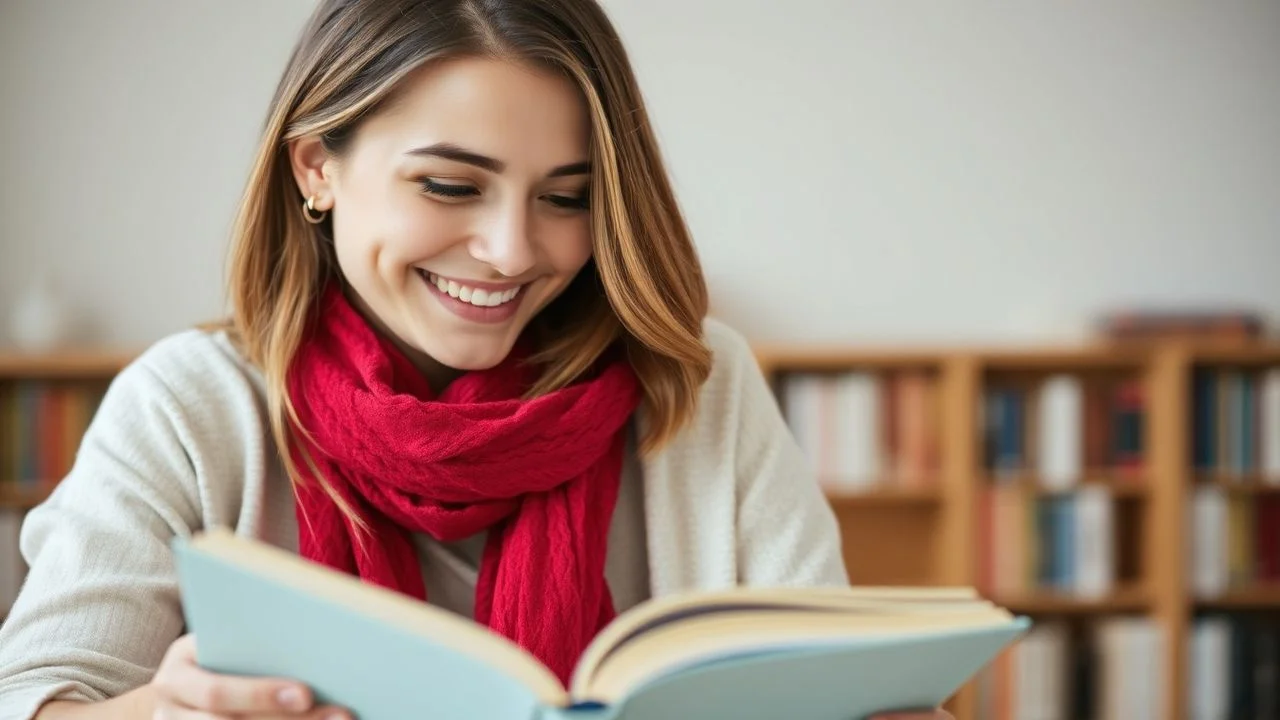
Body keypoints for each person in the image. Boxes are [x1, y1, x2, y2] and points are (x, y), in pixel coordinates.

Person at [0, 1, 952, 719]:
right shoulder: (189, 406)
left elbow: (826, 681)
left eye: (567, 198)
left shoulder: (696, 382)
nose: (512, 251)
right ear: (315, 169)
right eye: (451, 184)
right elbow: (38, 692)